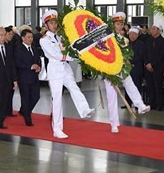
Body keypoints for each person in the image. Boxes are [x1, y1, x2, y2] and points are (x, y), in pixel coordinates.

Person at [39, 10, 95, 139]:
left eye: (55, 22)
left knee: (74, 87)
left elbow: (68, 48)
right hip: (55, 70)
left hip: (65, 68)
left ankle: (84, 109)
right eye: (51, 23)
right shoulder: (44, 40)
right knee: (57, 99)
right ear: (46, 25)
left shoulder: (60, 37)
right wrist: (72, 57)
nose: (54, 25)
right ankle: (57, 129)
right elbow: (55, 55)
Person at [104, 13, 150, 133]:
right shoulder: (107, 37)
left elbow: (126, 53)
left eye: (122, 24)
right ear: (113, 24)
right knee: (111, 96)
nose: (120, 26)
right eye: (118, 24)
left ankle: (140, 105)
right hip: (109, 68)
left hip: (122, 66)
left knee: (130, 84)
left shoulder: (125, 40)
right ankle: (114, 123)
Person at [15, 29, 41, 126]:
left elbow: (38, 60)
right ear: (23, 38)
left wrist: (39, 67)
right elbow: (18, 63)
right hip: (24, 77)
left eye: (31, 37)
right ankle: (27, 118)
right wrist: (30, 67)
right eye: (28, 37)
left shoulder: (34, 48)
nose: (30, 39)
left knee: (36, 96)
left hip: (34, 77)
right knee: (25, 98)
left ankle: (25, 111)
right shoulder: (19, 49)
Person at [144, 23, 164, 111]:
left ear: (159, 30)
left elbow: (162, 56)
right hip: (148, 67)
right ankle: (152, 103)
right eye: (152, 28)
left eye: (154, 29)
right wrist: (147, 63)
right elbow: (145, 53)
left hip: (158, 68)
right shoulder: (148, 40)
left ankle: (159, 104)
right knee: (150, 86)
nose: (152, 30)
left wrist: (152, 64)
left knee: (158, 86)